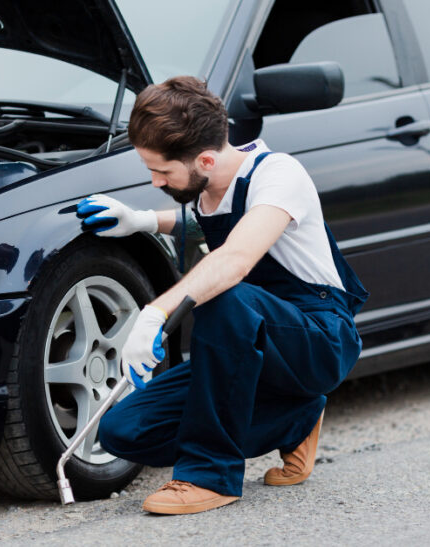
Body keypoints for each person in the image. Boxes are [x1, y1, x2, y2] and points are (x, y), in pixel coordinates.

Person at [75, 76, 368, 515]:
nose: (155, 181)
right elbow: (209, 223)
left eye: (162, 171)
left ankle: (209, 475)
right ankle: (296, 417)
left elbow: (236, 257)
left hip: (317, 338)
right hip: (250, 344)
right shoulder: (206, 189)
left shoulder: (278, 175)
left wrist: (155, 313)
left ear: (206, 160)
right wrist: (141, 221)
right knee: (123, 430)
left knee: (222, 295)